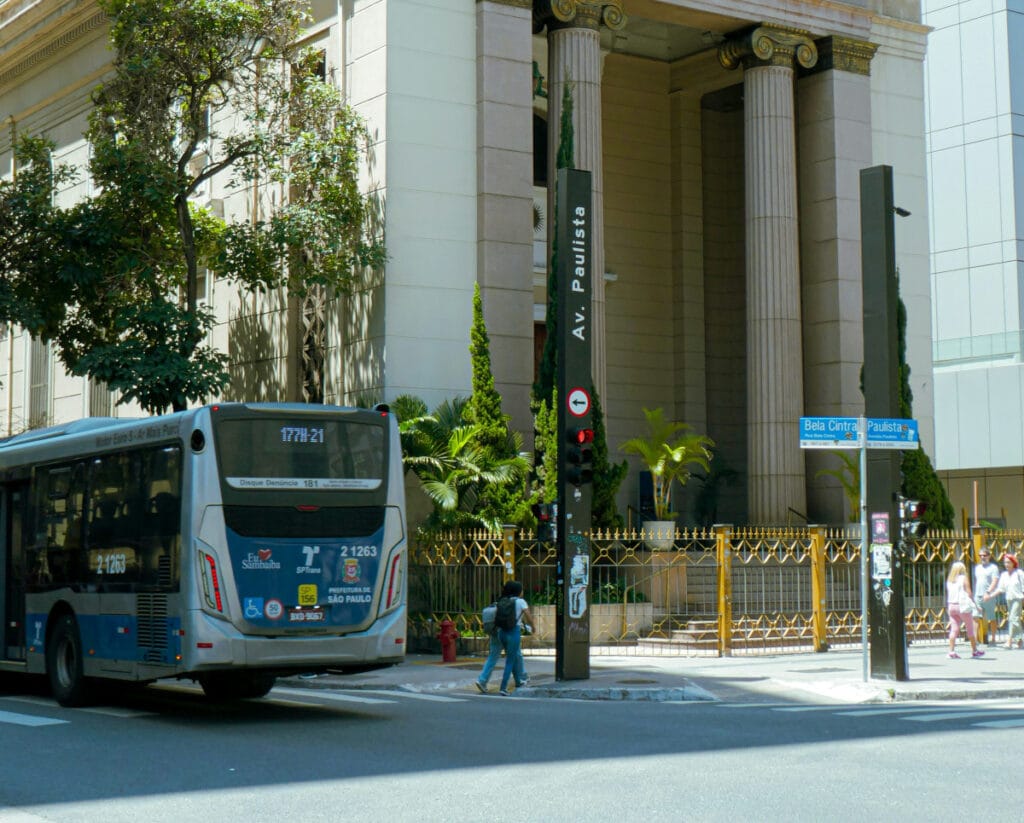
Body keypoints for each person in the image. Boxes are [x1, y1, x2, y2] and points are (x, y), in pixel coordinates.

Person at [475, 580, 534, 696]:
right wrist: (533, 627)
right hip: (511, 632)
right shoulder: (520, 602)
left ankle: (482, 680)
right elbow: (528, 615)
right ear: (518, 591)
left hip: (498, 630)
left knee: (493, 656)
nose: (522, 591)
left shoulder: (502, 601)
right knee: (516, 655)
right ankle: (521, 678)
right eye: (521, 589)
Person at [984, 553, 1024, 649]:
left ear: (1013, 563)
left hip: (1018, 599)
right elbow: (1000, 589)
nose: (1006, 564)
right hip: (1009, 599)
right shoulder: (1004, 575)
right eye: (1005, 562)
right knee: (1015, 619)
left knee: (1012, 618)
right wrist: (990, 596)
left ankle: (1009, 641)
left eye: (1008, 562)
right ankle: (1019, 640)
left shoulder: (1019, 573)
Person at [946, 560, 983, 659]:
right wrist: (974, 604)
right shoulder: (963, 578)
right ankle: (974, 650)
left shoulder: (950, 580)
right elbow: (969, 593)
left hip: (951, 606)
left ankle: (951, 651)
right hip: (962, 606)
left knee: (954, 629)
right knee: (970, 628)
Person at [973, 546, 1000, 645]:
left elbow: (995, 581)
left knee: (991, 618)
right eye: (980, 556)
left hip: (989, 596)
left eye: (984, 555)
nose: (982, 557)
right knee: (975, 617)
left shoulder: (993, 568)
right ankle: (975, 640)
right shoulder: (977, 568)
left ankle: (993, 639)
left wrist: (988, 592)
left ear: (989, 556)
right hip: (978, 595)